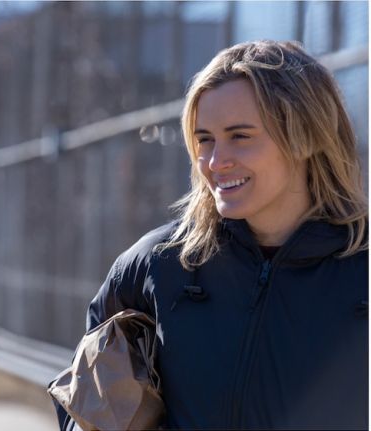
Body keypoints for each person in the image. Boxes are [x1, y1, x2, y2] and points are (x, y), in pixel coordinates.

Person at [55, 40, 368, 430]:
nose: (216, 162)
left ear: (304, 137)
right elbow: (83, 403)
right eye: (204, 139)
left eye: (240, 136)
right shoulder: (156, 264)